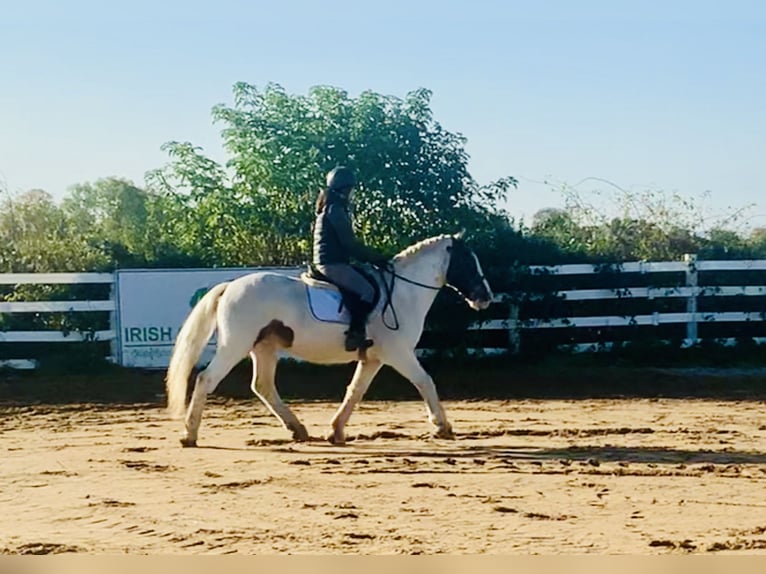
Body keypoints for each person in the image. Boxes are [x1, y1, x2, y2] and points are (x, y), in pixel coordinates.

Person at [312, 166, 388, 352]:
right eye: (351, 189)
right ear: (346, 189)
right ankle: (355, 336)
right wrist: (376, 258)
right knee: (368, 291)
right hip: (332, 264)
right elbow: (349, 244)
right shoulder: (336, 209)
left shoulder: (330, 207)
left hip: (331, 261)